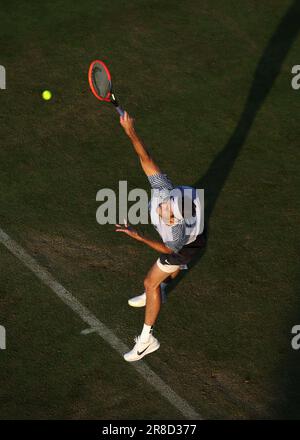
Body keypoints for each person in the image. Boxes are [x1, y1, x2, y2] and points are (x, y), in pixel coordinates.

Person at [116, 112, 205, 362]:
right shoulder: (164, 189)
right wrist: (130, 131)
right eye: (168, 206)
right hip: (192, 231)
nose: (164, 209)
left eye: (170, 214)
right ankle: (163, 290)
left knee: (150, 282)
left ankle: (146, 341)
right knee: (163, 275)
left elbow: (168, 251)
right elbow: (145, 157)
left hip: (186, 245)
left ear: (176, 220)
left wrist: (138, 236)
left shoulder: (176, 233)